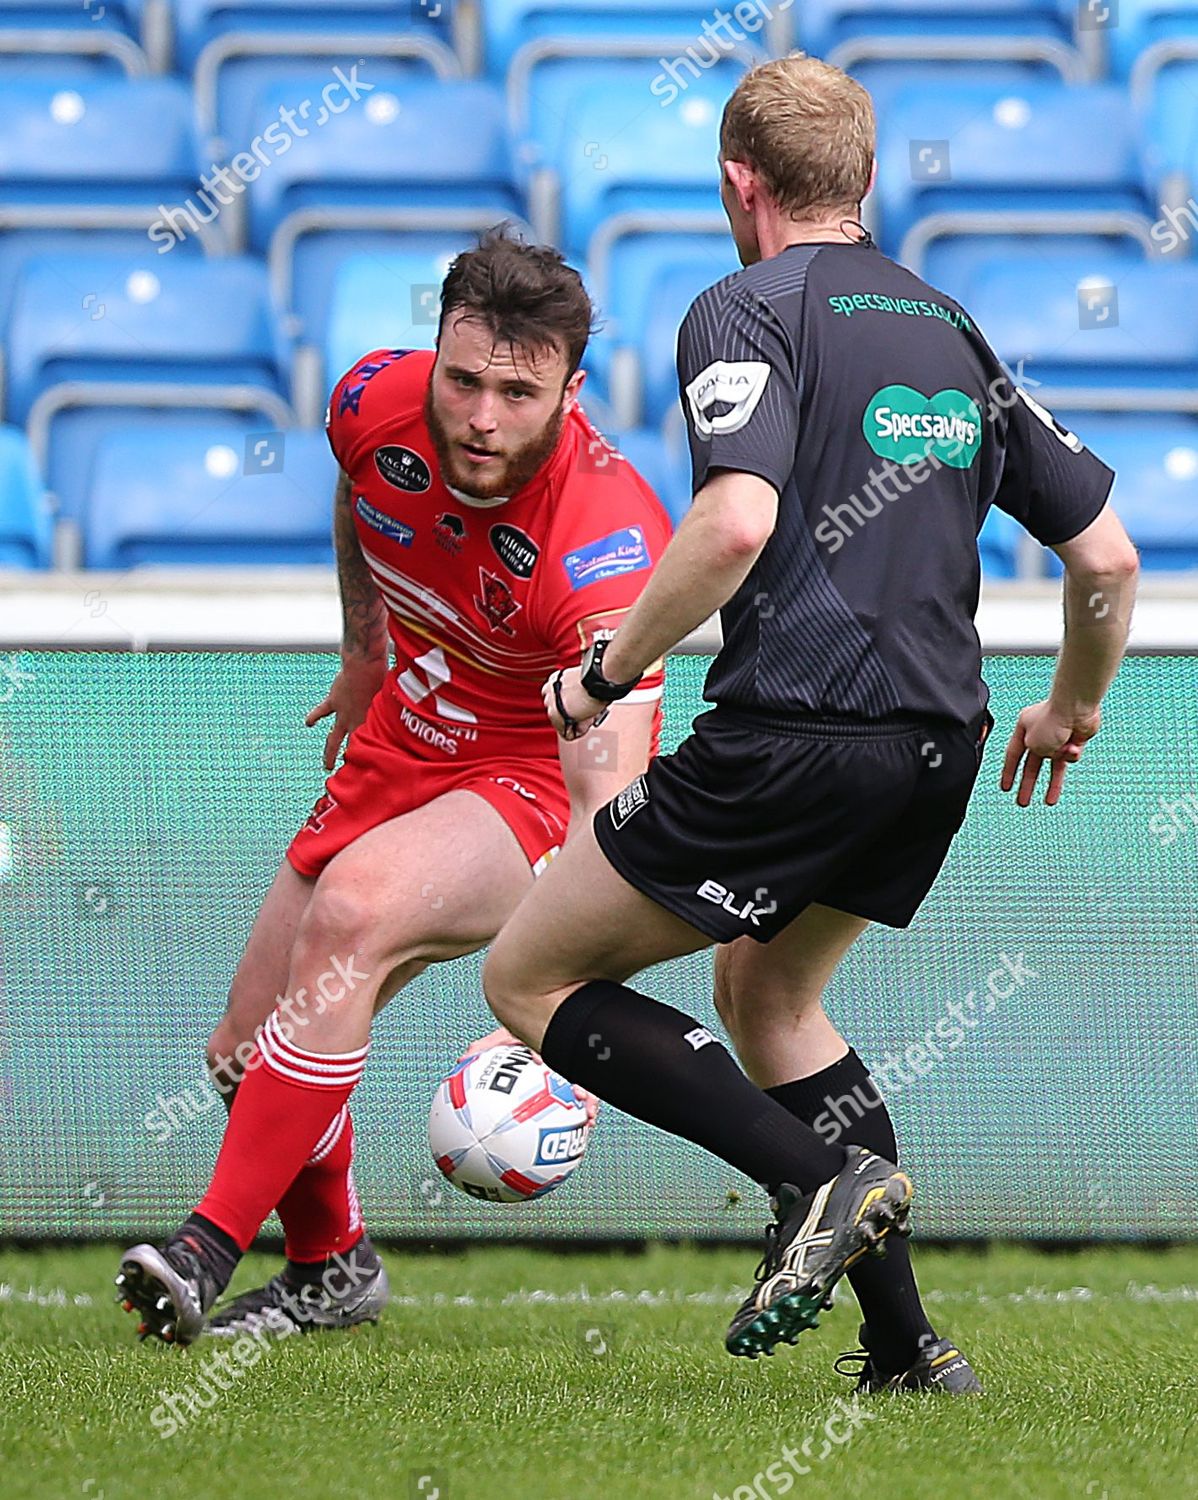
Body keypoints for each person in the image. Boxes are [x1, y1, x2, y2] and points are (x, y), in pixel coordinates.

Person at [481, 54, 1139, 1387]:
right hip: (934, 751)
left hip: (794, 735)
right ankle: (906, 1349)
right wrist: (1070, 708)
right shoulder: (952, 330)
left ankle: (811, 1182)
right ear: (865, 182)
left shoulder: (744, 306)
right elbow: (1109, 560)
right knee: (770, 992)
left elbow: (733, 521)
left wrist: (605, 678)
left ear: (740, 183)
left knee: (527, 976)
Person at [115, 229, 672, 1345]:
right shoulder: (372, 400)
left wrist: (559, 997)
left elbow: (609, 797)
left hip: (529, 774)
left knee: (356, 915)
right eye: (464, 380)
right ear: (435, 353)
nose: (480, 416)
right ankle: (330, 1268)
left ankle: (204, 1248)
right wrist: (364, 651)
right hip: (406, 730)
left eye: (519, 392)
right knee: (241, 1052)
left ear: (570, 388)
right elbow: (360, 498)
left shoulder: (607, 541)